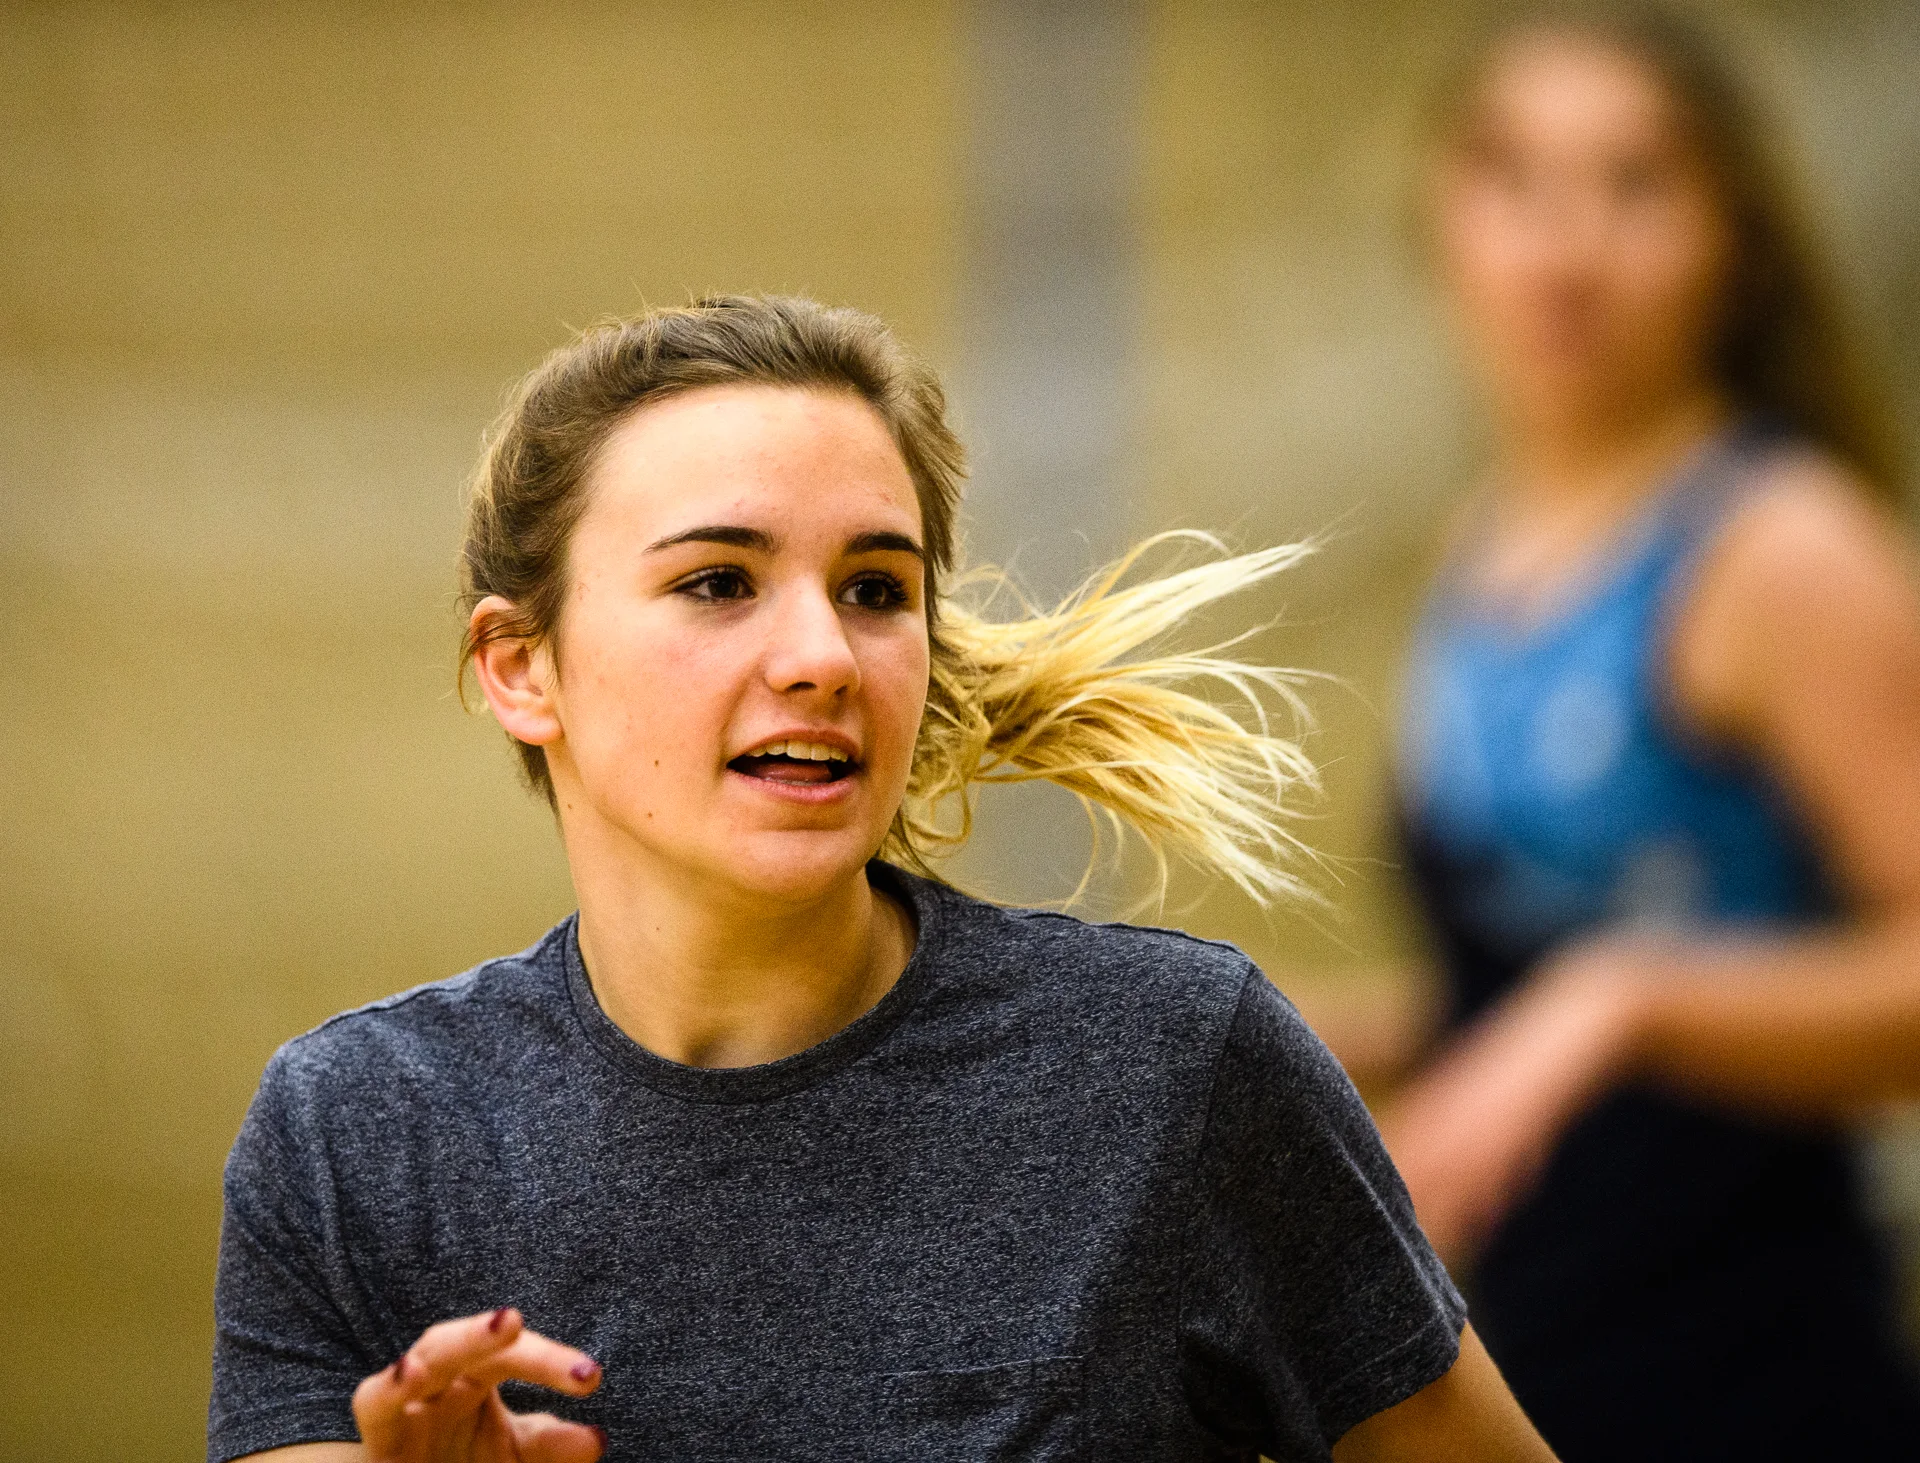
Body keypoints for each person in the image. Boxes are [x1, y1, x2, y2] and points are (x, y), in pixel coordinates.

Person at [208, 295, 1553, 1462]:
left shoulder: (1174, 1065)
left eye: (875, 589)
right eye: (719, 581)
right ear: (521, 668)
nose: (823, 656)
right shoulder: (354, 1136)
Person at [1372, 4, 1920, 1459]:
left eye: (1636, 185)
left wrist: (1630, 998)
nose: (1566, 251)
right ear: (1441, 217)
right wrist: (1246, 1030)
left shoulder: (1782, 547)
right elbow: (1510, 1011)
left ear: (1735, 238)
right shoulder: (1484, 540)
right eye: (1515, 179)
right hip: (1536, 1370)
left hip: (1755, 1385)